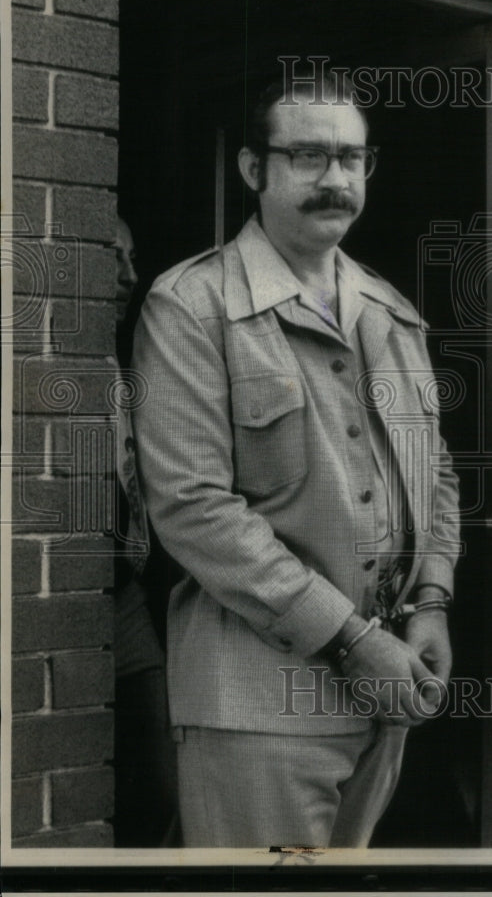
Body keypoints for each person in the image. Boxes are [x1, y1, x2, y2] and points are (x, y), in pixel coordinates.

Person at [131, 71, 460, 848]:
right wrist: (353, 641)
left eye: (351, 158)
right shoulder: (191, 304)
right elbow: (191, 505)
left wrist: (432, 601)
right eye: (307, 156)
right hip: (257, 705)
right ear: (254, 170)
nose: (335, 179)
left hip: (385, 691)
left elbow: (434, 471)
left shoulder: (391, 312)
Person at [112, 217, 179, 847]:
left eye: (132, 257)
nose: (130, 275)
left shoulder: (126, 356)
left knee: (164, 780)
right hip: (60, 602)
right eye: (114, 257)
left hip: (123, 599)